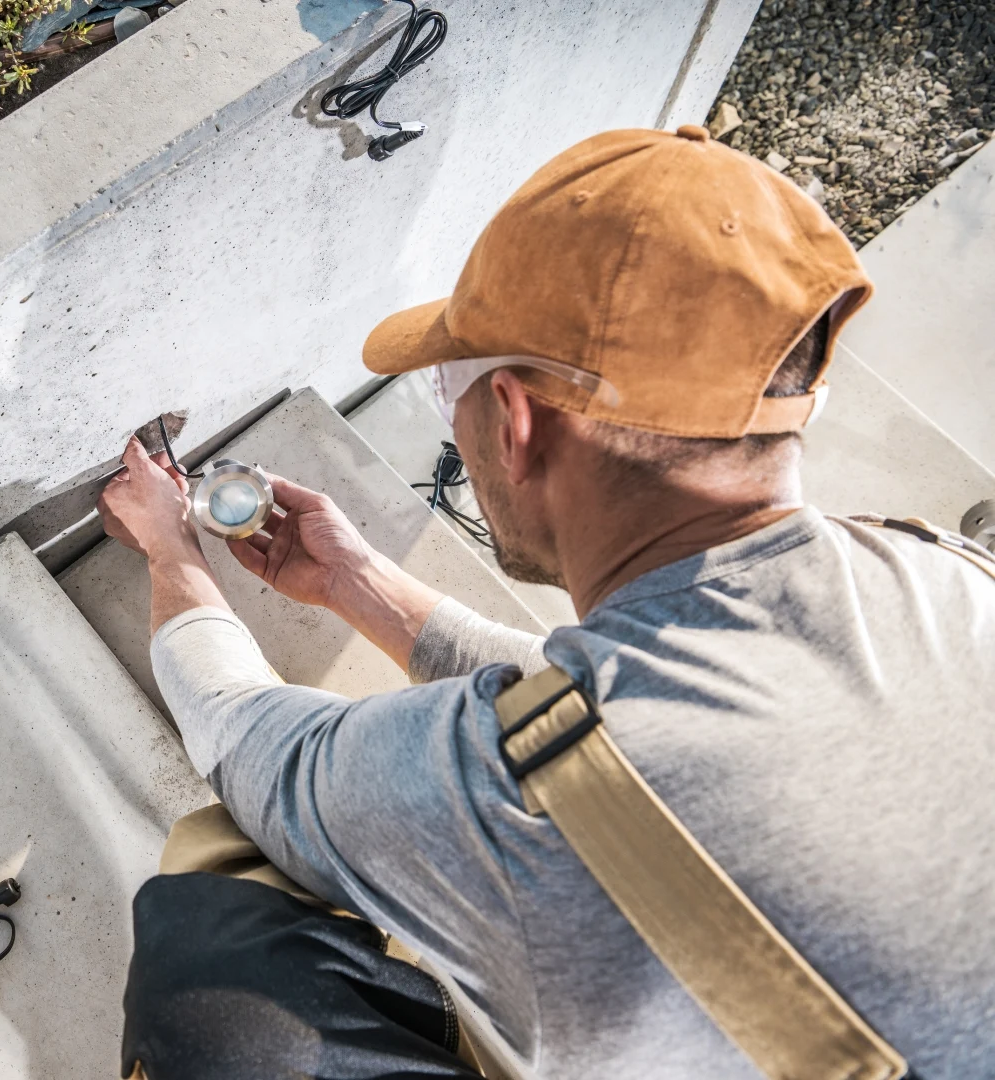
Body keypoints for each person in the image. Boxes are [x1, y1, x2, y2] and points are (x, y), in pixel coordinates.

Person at [97, 125, 995, 1080]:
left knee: (209, 945)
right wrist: (360, 584)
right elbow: (630, 725)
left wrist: (170, 547)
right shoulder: (946, 574)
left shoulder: (491, 802)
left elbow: (244, 742)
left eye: (448, 388)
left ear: (515, 420)